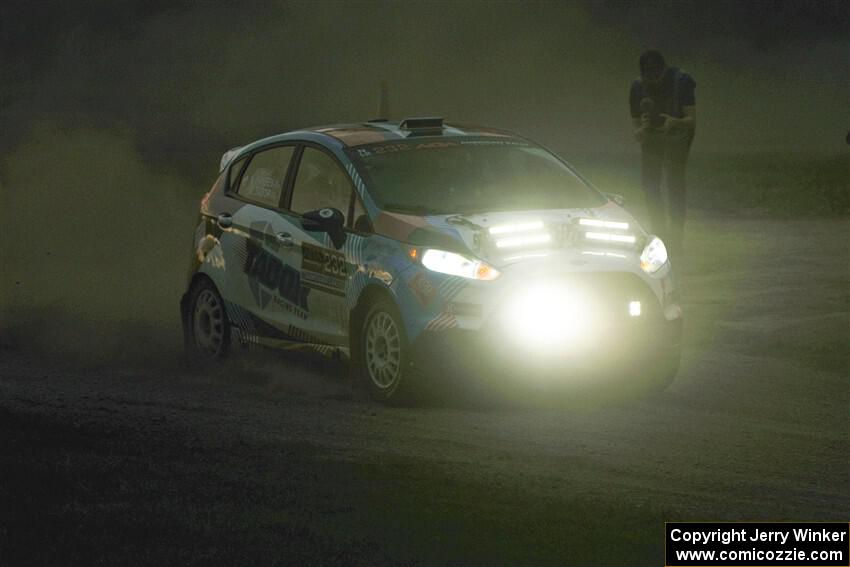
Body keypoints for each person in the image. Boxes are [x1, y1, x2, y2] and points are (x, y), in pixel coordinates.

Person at [629, 49, 696, 260]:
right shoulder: (637, 88)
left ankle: (676, 237)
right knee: (649, 185)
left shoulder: (681, 81)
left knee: (675, 185)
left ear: (663, 71)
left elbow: (691, 119)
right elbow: (637, 127)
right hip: (652, 139)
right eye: (647, 77)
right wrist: (642, 131)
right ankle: (660, 233)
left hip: (677, 135)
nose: (652, 81)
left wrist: (673, 122)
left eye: (655, 76)